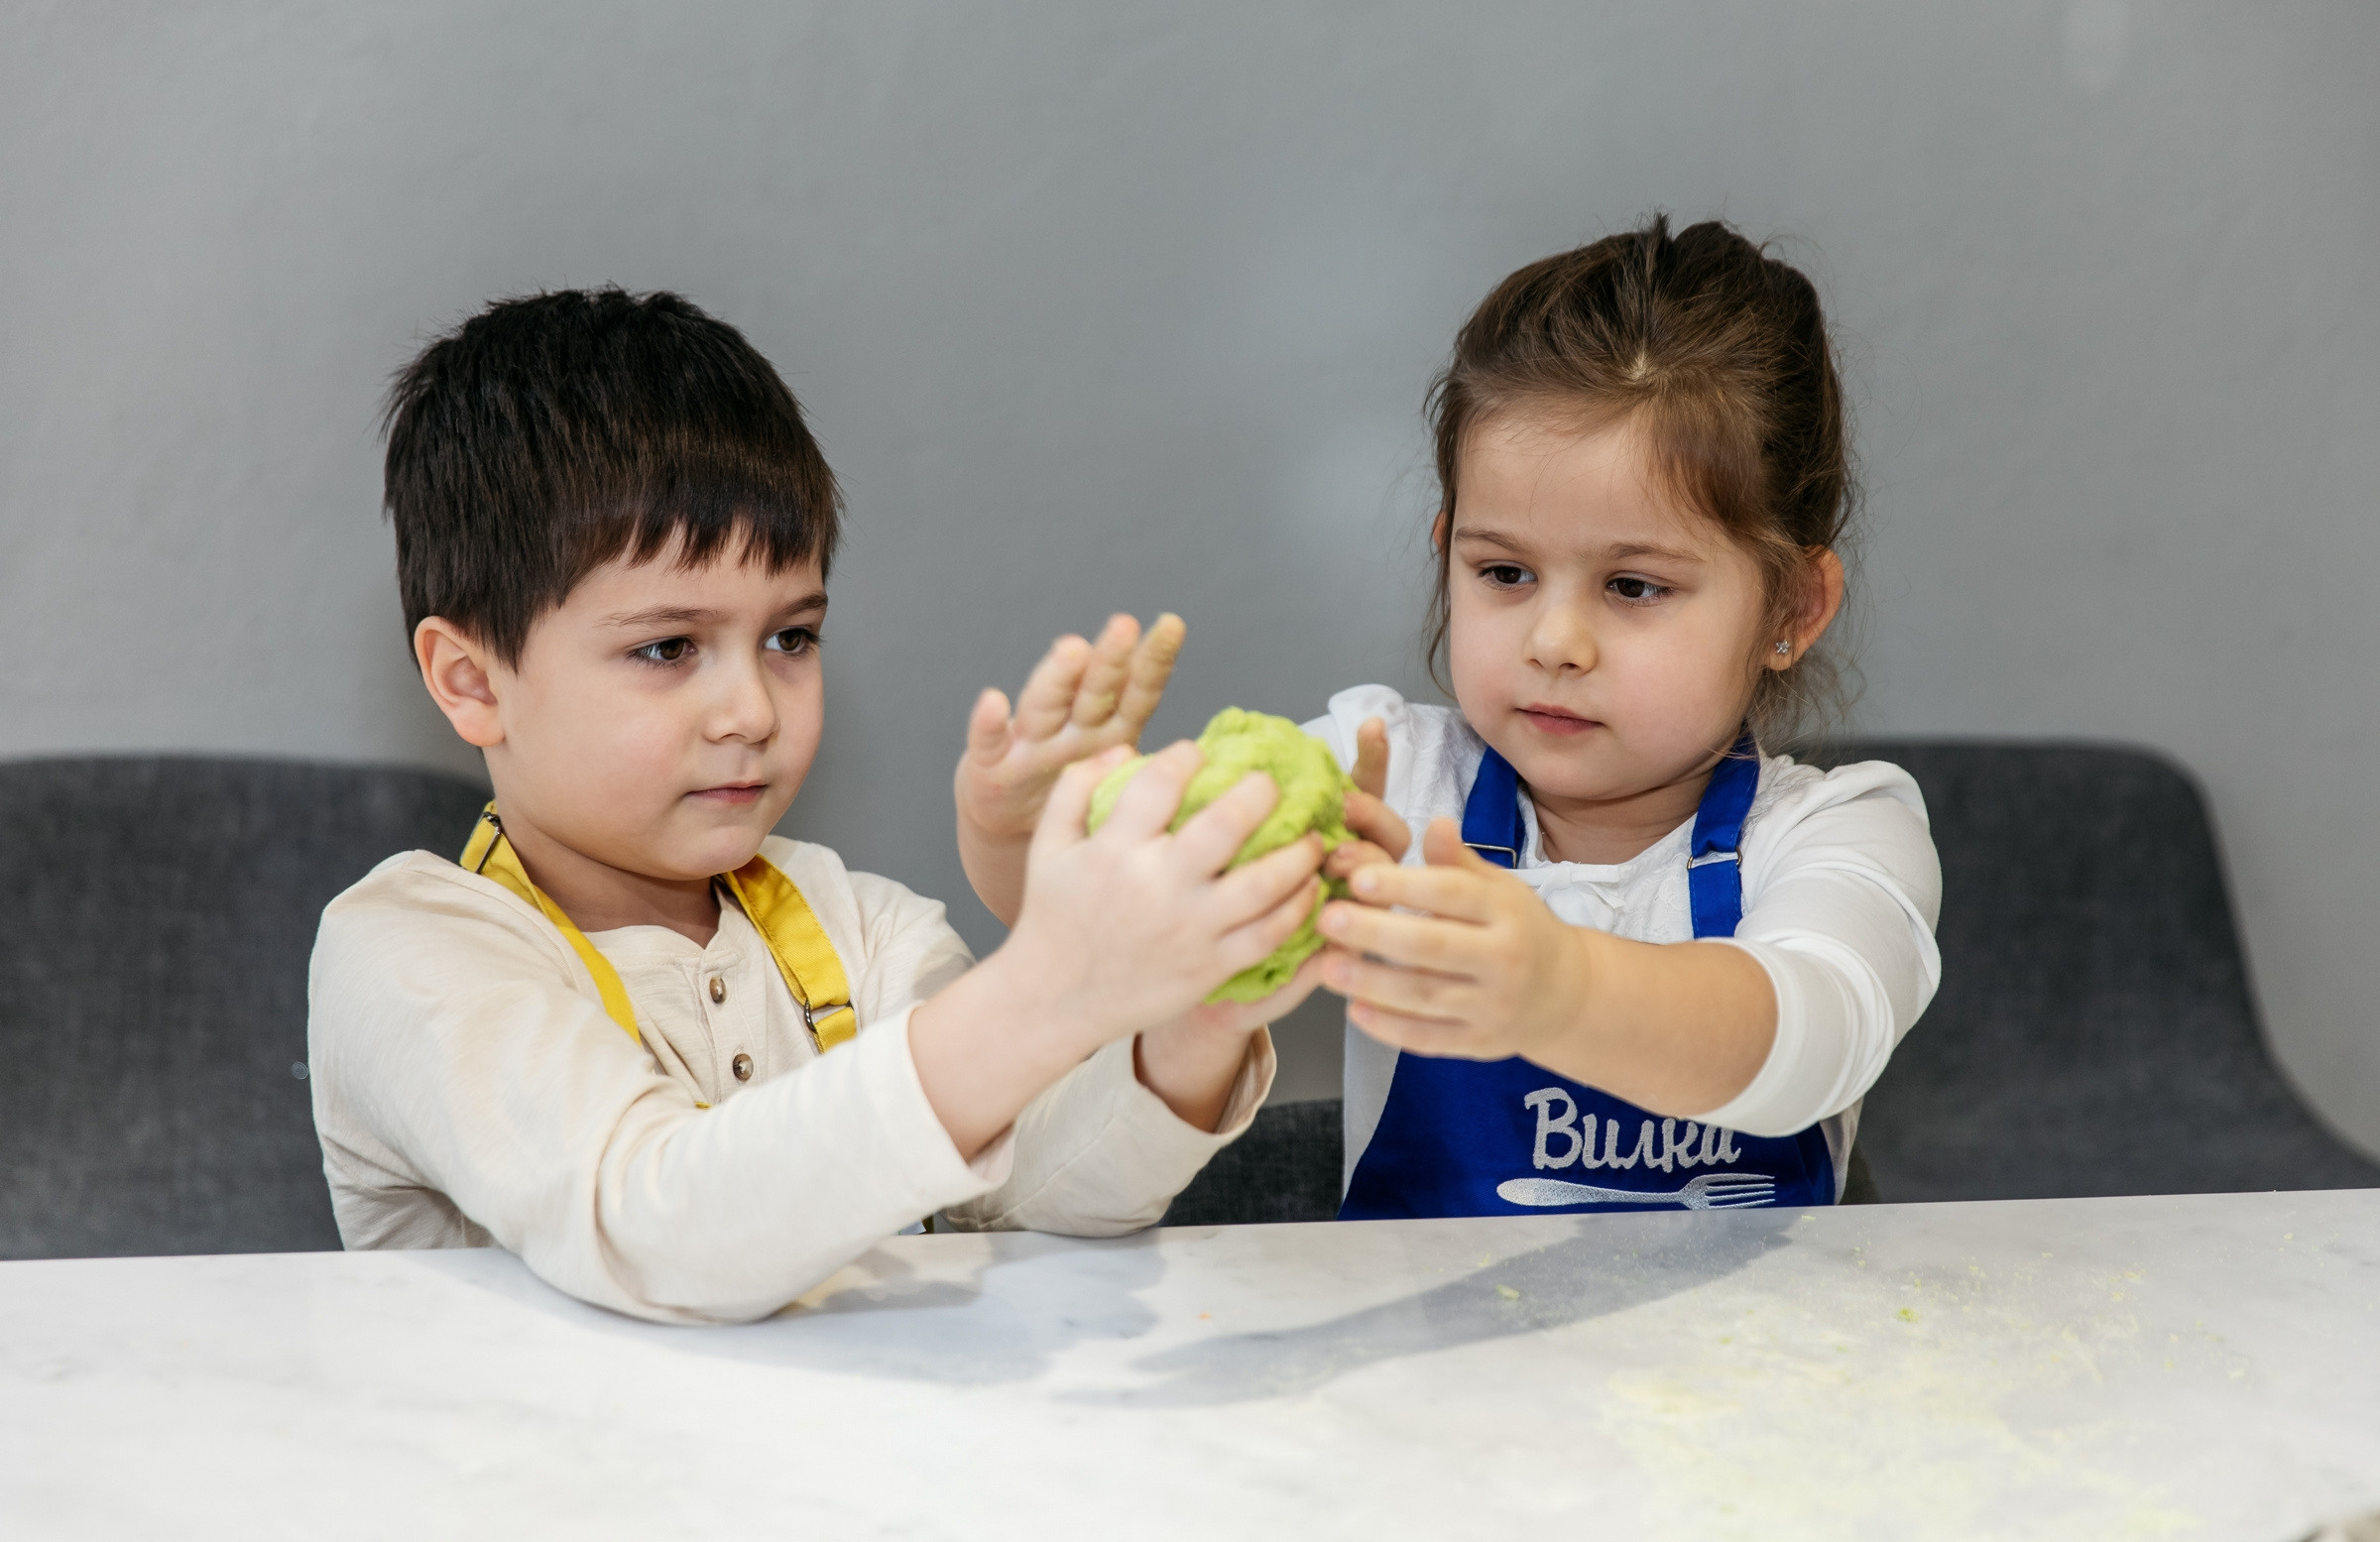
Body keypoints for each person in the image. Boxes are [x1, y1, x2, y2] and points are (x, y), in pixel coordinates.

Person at [308, 288, 1323, 1323]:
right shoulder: (405, 954)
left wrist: (1200, 1011)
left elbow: (1037, 1196)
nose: (750, 708)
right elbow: (660, 1226)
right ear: (472, 681)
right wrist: (1052, 984)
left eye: (790, 637)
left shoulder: (862, 925)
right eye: (668, 647)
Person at [956, 216, 1940, 1218]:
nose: (1556, 639)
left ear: (1792, 609)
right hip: (1422, 1371)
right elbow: (1112, 929)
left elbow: (1811, 1033)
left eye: (1634, 586)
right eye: (1504, 573)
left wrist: (1560, 989)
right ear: (1447, 554)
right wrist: (1026, 833)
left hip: (1756, 1368)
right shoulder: (1381, 776)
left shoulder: (1843, 834)